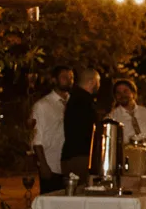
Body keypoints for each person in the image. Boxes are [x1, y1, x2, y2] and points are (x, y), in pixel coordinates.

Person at [30, 66, 72, 194]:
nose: (69, 80)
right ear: (54, 80)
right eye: (65, 77)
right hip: (51, 164)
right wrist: (43, 165)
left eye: (71, 78)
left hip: (70, 165)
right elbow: (37, 137)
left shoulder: (74, 103)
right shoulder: (42, 105)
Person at [60, 68, 100, 180]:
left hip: (72, 154)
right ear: (92, 82)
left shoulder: (75, 99)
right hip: (80, 156)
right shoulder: (84, 101)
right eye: (98, 81)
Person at [107, 79, 146, 145]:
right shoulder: (111, 118)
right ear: (115, 97)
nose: (122, 95)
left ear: (133, 93)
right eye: (118, 93)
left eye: (125, 91)